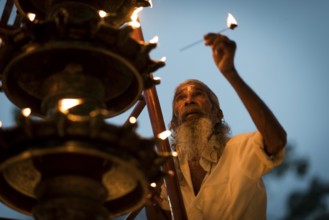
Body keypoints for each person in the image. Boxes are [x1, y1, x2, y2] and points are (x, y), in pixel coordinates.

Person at [155, 33, 287, 220]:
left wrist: (230, 72)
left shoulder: (238, 150)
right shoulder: (169, 172)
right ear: (174, 124)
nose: (189, 100)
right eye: (181, 97)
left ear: (218, 115)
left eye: (198, 94)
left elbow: (276, 141)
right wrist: (149, 199)